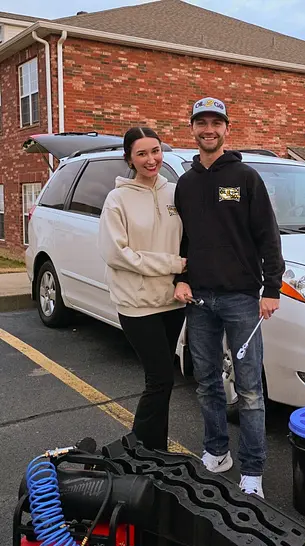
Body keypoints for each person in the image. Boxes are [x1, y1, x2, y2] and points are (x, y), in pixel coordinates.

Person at [173, 97, 285, 498]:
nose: (208, 129)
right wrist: (179, 278)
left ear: (226, 129)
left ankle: (252, 471)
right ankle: (217, 452)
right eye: (201, 122)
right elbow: (181, 239)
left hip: (241, 299)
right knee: (206, 383)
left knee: (250, 390)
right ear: (192, 129)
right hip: (199, 300)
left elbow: (268, 235)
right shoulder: (185, 184)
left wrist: (272, 288)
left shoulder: (245, 177)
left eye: (215, 123)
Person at [99, 126, 186, 451]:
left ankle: (155, 451)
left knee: (162, 382)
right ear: (129, 159)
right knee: (160, 378)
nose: (151, 159)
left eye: (156, 151)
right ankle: (137, 449)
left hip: (173, 303)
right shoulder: (117, 199)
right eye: (142, 154)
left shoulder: (175, 192)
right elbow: (116, 254)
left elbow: (192, 236)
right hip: (137, 305)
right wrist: (172, 264)